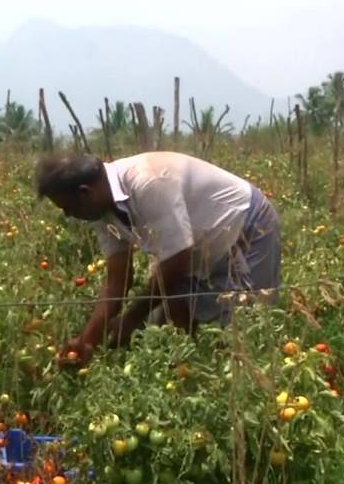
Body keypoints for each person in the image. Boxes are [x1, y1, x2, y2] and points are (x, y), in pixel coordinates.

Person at [34, 151, 280, 367]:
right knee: (170, 328)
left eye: (67, 208)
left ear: (84, 194)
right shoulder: (103, 212)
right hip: (196, 251)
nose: (68, 215)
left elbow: (177, 260)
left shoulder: (147, 182)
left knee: (244, 329)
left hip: (246, 226)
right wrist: (87, 341)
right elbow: (117, 281)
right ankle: (188, 388)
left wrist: (131, 318)